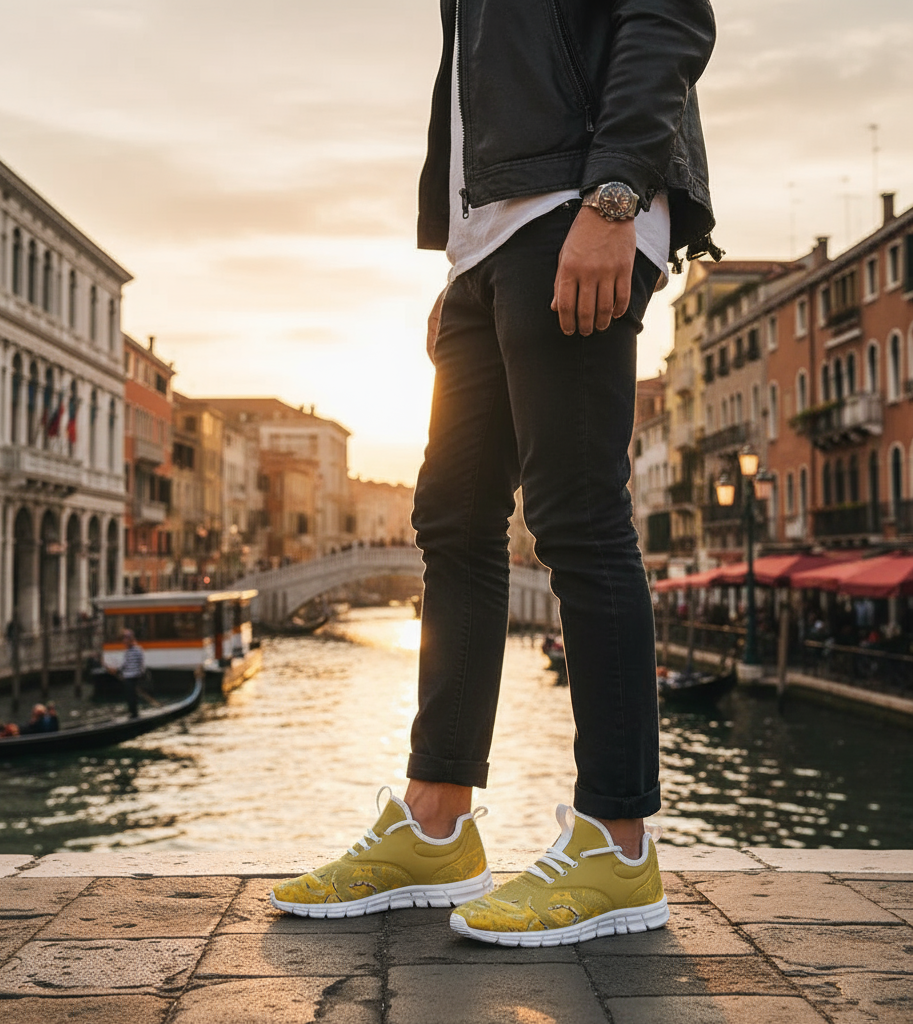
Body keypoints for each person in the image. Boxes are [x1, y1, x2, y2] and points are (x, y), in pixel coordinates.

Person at [272, 0, 718, 947]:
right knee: (451, 526)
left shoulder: (599, 200)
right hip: (487, 242)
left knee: (576, 518)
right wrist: (461, 263)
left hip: (578, 208)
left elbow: (668, 16)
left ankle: (618, 843)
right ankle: (436, 823)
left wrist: (615, 195)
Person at [119, 630, 145, 718]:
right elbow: (125, 664)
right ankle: (132, 712)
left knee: (131, 696)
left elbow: (140, 663)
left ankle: (134, 714)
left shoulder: (137, 650)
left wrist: (140, 674)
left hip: (133, 676)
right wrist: (120, 671)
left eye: (126, 639)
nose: (124, 641)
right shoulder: (127, 652)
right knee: (129, 695)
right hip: (128, 676)